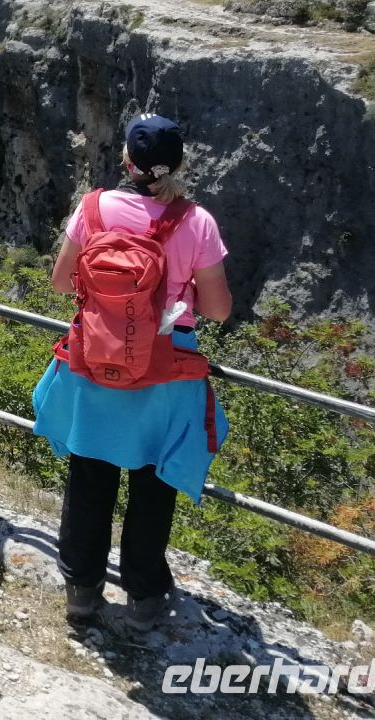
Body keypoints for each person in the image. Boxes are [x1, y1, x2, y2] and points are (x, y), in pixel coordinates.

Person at [36, 114, 232, 631]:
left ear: (126, 160)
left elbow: (60, 282)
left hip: (96, 363)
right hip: (164, 371)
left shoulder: (94, 209)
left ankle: (82, 590)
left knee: (90, 473)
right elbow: (217, 309)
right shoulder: (198, 222)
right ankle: (144, 597)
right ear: (181, 164)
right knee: (153, 481)